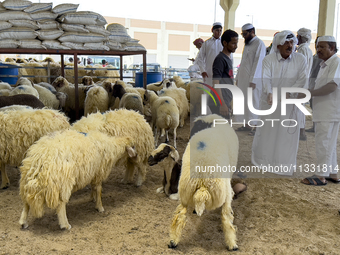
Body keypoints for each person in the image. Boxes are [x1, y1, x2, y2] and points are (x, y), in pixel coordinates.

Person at [251, 31, 308, 175]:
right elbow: (266, 78)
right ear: (278, 45)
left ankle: (283, 164)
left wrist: (290, 92)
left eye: (291, 43)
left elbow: (302, 78)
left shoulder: (300, 59)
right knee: (267, 132)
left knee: (286, 135)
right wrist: (269, 93)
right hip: (270, 103)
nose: (290, 46)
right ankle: (263, 161)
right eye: (286, 43)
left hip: (289, 103)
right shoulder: (269, 60)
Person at [301, 36, 340, 186]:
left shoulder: (335, 62)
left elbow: (332, 86)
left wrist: (309, 93)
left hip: (329, 110)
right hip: (325, 110)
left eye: (323, 47)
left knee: (323, 142)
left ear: (332, 48)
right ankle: (333, 173)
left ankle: (320, 175)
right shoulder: (325, 64)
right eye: (317, 46)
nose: (318, 49)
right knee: (328, 142)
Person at [234, 23, 266, 135]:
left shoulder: (259, 44)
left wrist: (254, 80)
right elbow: (243, 63)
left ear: (252, 32)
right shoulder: (247, 45)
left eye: (245, 34)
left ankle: (256, 126)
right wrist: (237, 78)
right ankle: (247, 125)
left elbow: (259, 63)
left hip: (253, 81)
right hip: (244, 79)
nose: (243, 36)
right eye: (242, 34)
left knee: (254, 102)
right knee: (245, 102)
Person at [211, 29, 239, 119]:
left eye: (236, 43)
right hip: (219, 102)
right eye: (233, 43)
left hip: (224, 99)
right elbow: (215, 83)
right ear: (225, 43)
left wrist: (228, 102)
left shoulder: (227, 58)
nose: (236, 46)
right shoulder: (220, 59)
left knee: (222, 130)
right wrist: (222, 104)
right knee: (222, 130)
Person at [296, 28, 313, 140]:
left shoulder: (303, 50)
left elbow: (301, 69)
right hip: (303, 82)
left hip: (300, 82)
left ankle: (301, 132)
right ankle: (300, 131)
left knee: (298, 108)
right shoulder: (307, 50)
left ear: (300, 37)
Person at [195, 22, 223, 87]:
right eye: (217, 30)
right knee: (208, 92)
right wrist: (203, 71)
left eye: (220, 31)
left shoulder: (224, 43)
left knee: (220, 93)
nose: (219, 32)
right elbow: (200, 58)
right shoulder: (207, 43)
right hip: (209, 73)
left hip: (221, 73)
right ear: (212, 30)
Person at [305, 36, 323, 133]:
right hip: (312, 85)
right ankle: (315, 126)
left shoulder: (327, 60)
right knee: (313, 106)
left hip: (319, 87)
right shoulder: (314, 57)